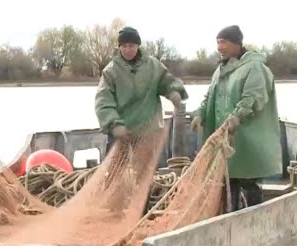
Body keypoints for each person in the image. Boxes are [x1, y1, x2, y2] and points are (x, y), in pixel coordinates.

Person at [190, 25, 282, 212]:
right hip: (224, 142)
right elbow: (209, 97)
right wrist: (199, 113)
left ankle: (255, 219)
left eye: (223, 42)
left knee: (249, 182)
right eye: (217, 42)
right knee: (227, 182)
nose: (219, 47)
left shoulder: (255, 67)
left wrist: (236, 117)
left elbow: (253, 98)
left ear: (236, 44)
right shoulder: (221, 70)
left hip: (247, 141)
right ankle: (229, 218)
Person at [95, 26, 189, 154]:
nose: (128, 50)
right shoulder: (110, 71)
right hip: (122, 132)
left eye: (131, 46)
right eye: (124, 46)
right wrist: (114, 124)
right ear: (119, 47)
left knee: (148, 170)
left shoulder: (153, 65)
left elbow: (166, 81)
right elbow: (103, 101)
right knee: (116, 171)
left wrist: (174, 91)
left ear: (138, 46)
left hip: (149, 132)